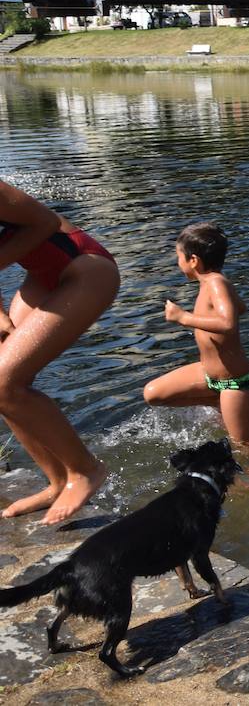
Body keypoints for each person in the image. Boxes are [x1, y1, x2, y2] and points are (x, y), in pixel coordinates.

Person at [0, 180, 118, 524]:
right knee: (5, 387)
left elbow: (45, 223)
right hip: (42, 276)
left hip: (86, 268)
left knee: (4, 382)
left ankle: (87, 470)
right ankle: (58, 481)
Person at [142, 224, 249, 447]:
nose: (178, 263)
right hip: (209, 374)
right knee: (153, 393)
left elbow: (228, 323)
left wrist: (182, 317)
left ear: (193, 260)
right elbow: (240, 308)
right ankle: (214, 398)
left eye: (178, 257)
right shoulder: (214, 283)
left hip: (232, 382)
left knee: (247, 450)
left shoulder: (216, 283)